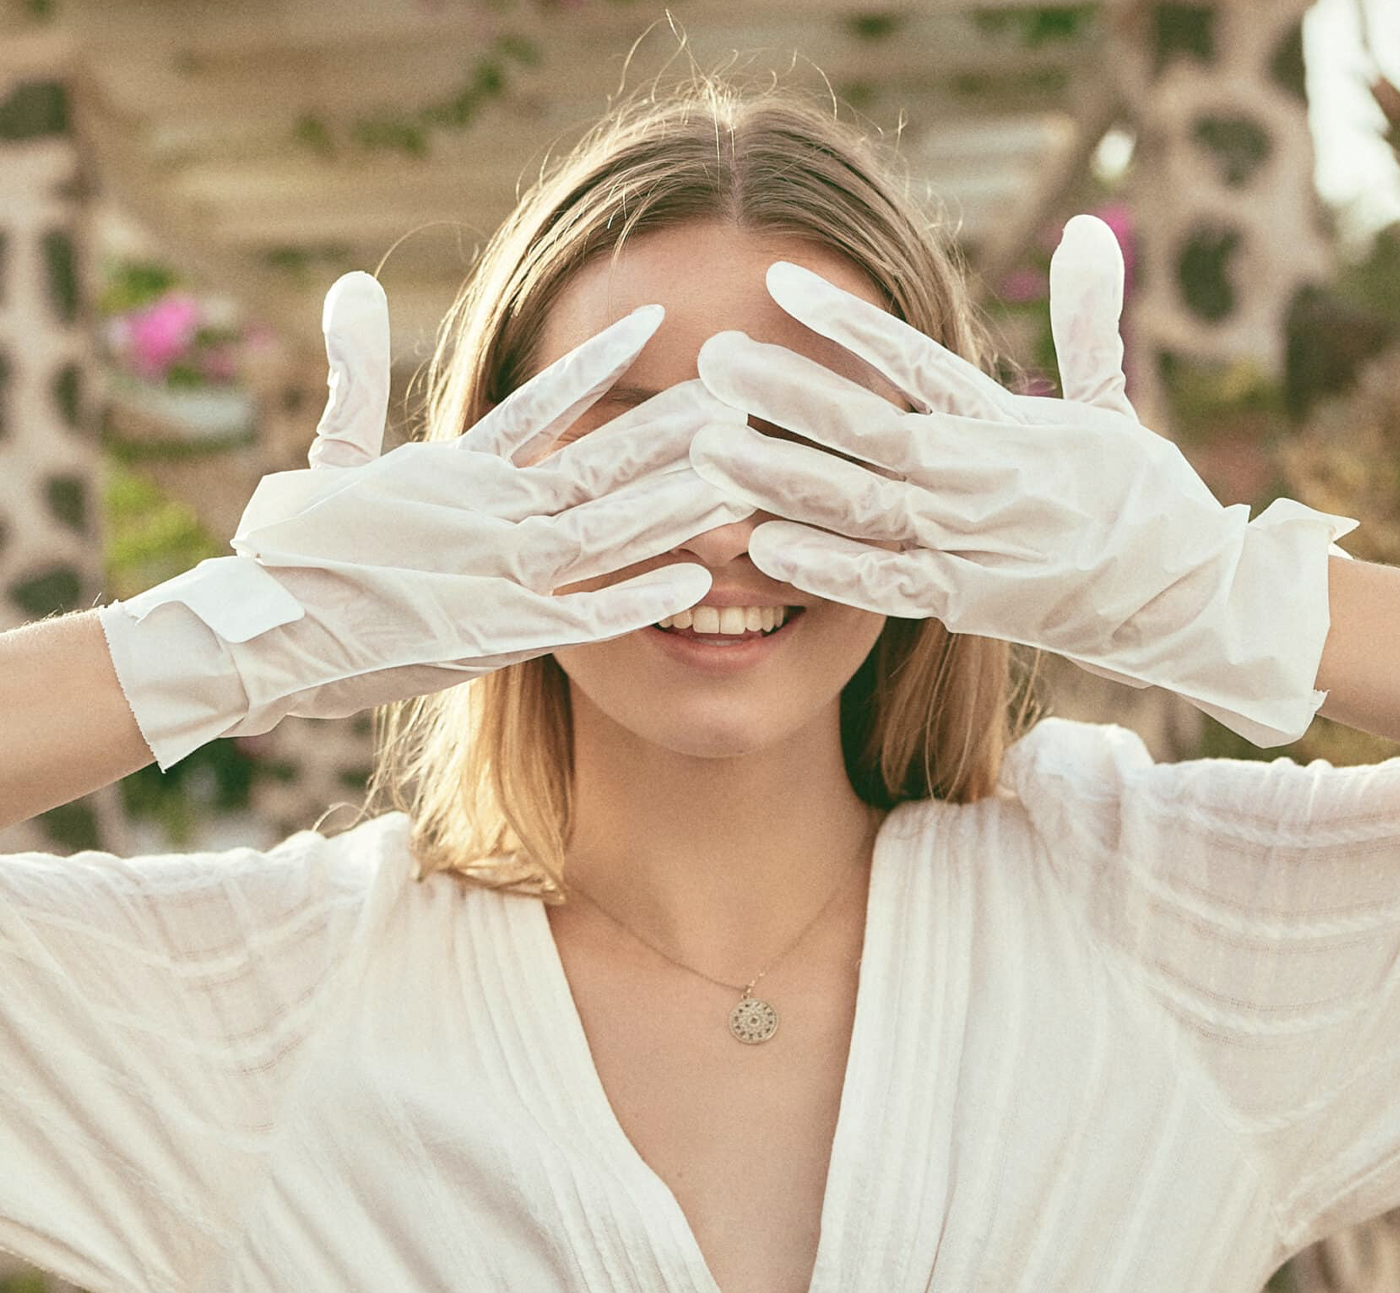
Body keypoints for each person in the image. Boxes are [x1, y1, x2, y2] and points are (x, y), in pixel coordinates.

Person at [1, 73, 1398, 1293]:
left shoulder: (1173, 930)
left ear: (954, 468)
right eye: (637, 438)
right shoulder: (270, 1015)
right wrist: (238, 631)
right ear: (483, 470)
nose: (724, 525)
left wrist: (1236, 598)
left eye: (805, 434)